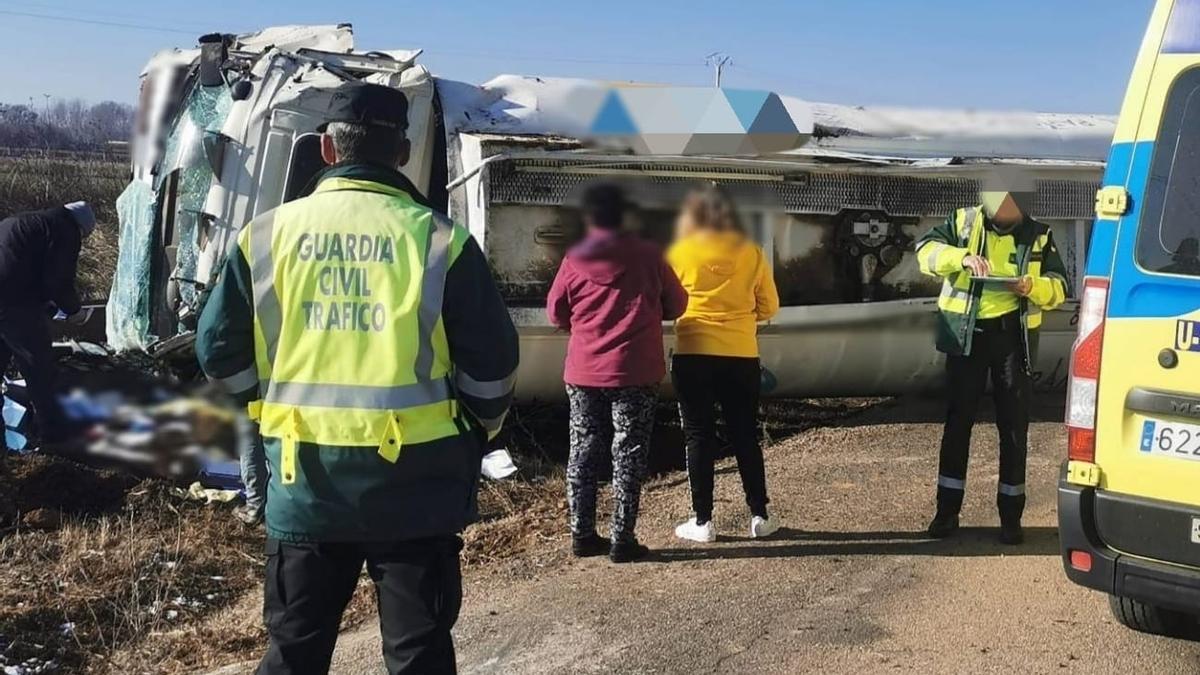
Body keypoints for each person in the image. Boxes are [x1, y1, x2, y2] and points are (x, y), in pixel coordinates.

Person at [195, 81, 519, 675]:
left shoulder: (265, 237)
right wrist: (476, 433)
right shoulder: (442, 241)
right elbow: (492, 368)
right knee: (417, 652)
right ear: (401, 153)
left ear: (326, 149)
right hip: (418, 490)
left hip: (304, 485)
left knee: (294, 650)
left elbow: (217, 348)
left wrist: (259, 409)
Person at [915, 179, 1069, 545]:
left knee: (1014, 428)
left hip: (1012, 340)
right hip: (965, 338)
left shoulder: (1040, 235)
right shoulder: (962, 222)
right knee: (958, 424)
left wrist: (1033, 286)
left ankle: (1011, 517)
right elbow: (925, 252)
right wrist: (962, 258)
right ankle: (947, 512)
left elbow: (1060, 287)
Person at [546, 183, 688, 563]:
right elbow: (677, 304)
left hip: (583, 372)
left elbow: (556, 313)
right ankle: (622, 540)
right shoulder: (649, 256)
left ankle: (582, 535)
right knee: (629, 453)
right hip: (635, 372)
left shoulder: (574, 259)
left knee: (583, 451)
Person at [668, 186, 780, 543]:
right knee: (745, 434)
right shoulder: (752, 253)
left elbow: (667, 302)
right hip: (741, 355)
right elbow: (770, 307)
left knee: (698, 435)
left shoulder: (679, 253)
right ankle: (760, 516)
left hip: (692, 352)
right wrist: (744, 321)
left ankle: (702, 522)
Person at [0, 201, 95, 455]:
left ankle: (3, 449)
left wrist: (49, 308)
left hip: (7, 293)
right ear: (81, 228)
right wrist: (74, 311)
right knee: (37, 364)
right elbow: (58, 281)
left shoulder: (29, 220)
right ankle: (53, 436)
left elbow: (31, 272)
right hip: (12, 300)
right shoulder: (65, 229)